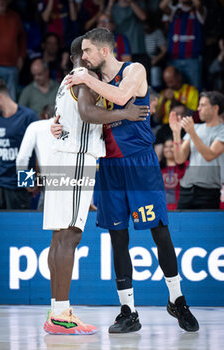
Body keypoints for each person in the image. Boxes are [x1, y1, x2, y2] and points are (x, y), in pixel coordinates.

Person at [66, 28, 199, 333]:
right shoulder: (91, 80)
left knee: (159, 232)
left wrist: (88, 80)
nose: (82, 58)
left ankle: (177, 300)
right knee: (118, 237)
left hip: (140, 162)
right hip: (109, 166)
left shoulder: (133, 70)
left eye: (86, 52)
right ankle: (128, 311)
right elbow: (84, 114)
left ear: (103, 51)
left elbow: (124, 96)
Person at [43, 35, 148, 335]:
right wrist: (123, 113)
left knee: (59, 237)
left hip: (61, 156)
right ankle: (61, 314)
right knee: (70, 236)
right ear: (83, 56)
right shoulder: (84, 77)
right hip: (77, 157)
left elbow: (63, 118)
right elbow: (88, 113)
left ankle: (57, 310)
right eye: (88, 52)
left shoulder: (66, 82)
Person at [169, 91, 224, 209]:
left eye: (203, 105)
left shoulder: (221, 131)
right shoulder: (196, 128)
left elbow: (209, 155)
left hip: (209, 191)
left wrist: (192, 132)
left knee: (205, 227)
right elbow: (179, 159)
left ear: (215, 108)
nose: (198, 109)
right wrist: (176, 133)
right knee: (181, 226)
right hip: (186, 189)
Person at [0, 79, 38, 209]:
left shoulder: (28, 116)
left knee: (19, 226)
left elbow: (35, 152)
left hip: (18, 185)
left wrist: (30, 181)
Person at [159, 0, 206, 91]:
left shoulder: (198, 10)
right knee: (175, 89)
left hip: (193, 58)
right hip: (175, 58)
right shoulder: (174, 10)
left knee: (195, 89)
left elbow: (198, 4)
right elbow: (162, 6)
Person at [16, 104, 56, 211]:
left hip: (50, 183)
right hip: (75, 181)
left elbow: (22, 157)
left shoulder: (36, 126)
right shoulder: (75, 126)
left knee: (45, 223)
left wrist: (27, 182)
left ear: (45, 116)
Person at [0, 0, 26, 101]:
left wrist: (21, 56)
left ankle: (10, 118)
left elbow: (22, 37)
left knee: (10, 98)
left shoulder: (14, 17)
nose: (2, 2)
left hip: (11, 65)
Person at [160, 138, 187, 210]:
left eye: (171, 146)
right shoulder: (158, 167)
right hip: (162, 208)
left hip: (180, 207)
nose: (168, 149)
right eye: (166, 146)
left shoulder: (185, 166)